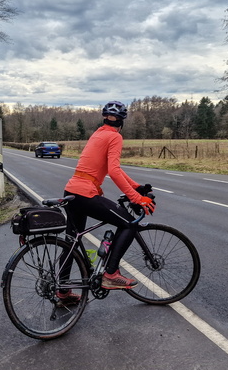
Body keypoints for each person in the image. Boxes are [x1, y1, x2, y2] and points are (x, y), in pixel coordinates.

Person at [56, 101, 156, 304]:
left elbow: (114, 169)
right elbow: (114, 171)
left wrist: (136, 187)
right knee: (128, 223)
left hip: (72, 191)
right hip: (86, 193)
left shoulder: (98, 134)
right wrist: (137, 198)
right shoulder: (115, 137)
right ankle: (110, 274)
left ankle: (62, 292)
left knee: (71, 242)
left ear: (105, 119)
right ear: (122, 123)